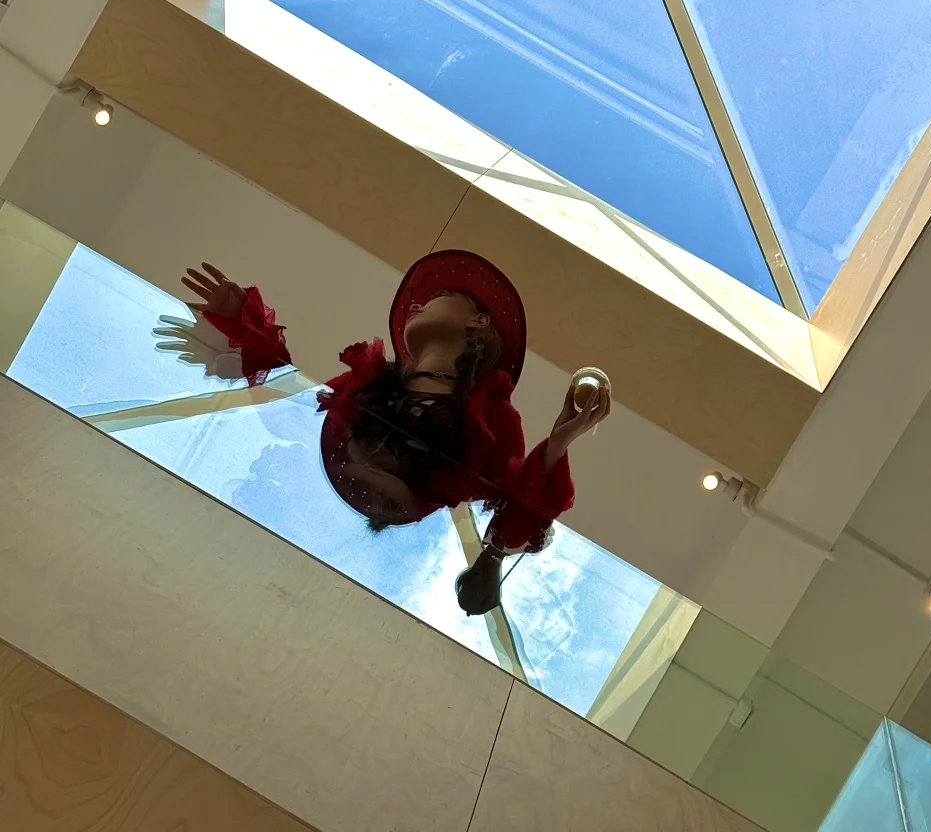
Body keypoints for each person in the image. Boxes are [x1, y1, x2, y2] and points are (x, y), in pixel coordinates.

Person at [181, 250, 610, 615]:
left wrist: (558, 443)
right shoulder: (363, 382)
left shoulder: (495, 419)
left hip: (352, 562)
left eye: (439, 297)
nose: (417, 305)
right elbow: (289, 414)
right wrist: (247, 326)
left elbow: (516, 515)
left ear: (478, 321)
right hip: (293, 523)